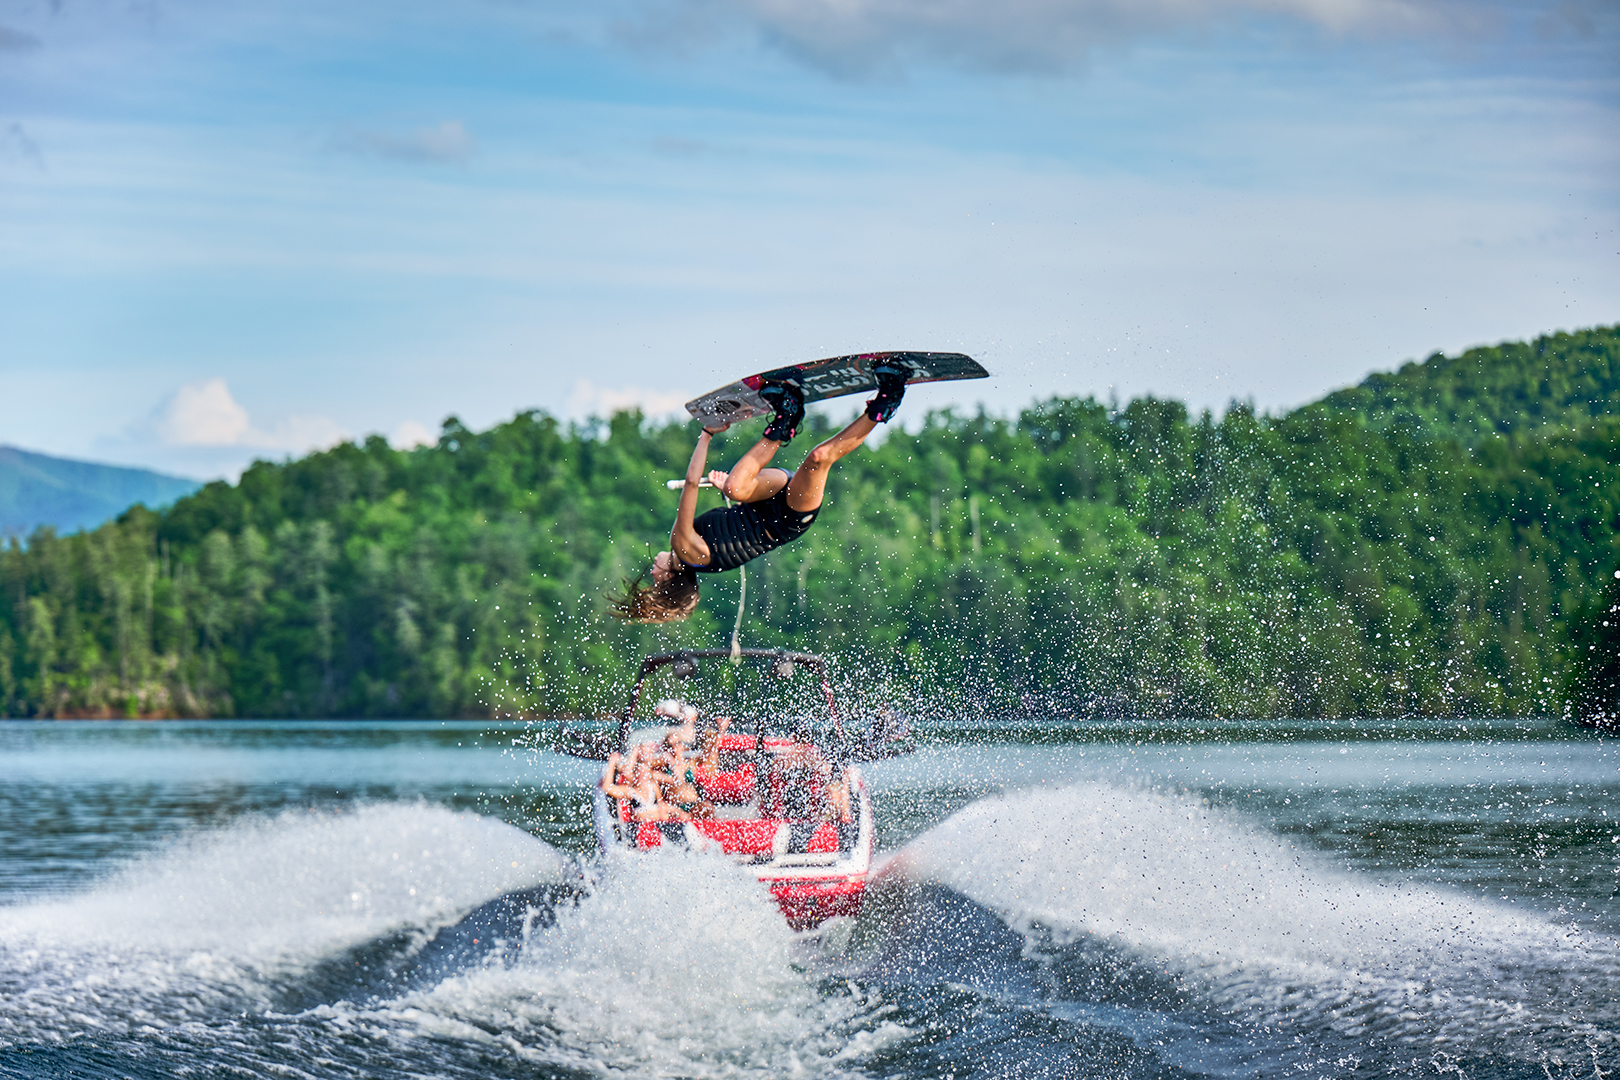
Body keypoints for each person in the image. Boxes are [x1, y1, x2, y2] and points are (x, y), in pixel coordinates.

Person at [610, 359, 914, 622]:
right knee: (819, 459)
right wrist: (706, 435)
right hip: (786, 519)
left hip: (763, 498)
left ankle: (787, 416)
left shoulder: (687, 551)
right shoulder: (685, 549)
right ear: (670, 577)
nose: (652, 570)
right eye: (655, 577)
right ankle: (887, 399)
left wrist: (725, 490)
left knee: (735, 486)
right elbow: (690, 484)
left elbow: (733, 520)